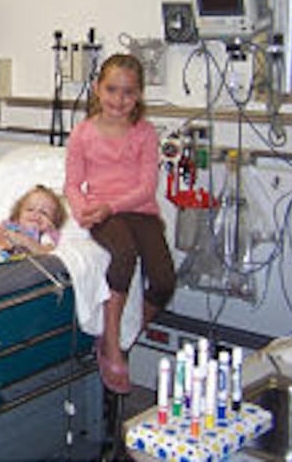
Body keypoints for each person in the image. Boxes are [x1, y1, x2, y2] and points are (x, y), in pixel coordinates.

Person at [64, 54, 175, 394]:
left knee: (164, 280)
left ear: (139, 94)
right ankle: (112, 342)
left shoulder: (144, 133)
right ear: (97, 88)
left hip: (139, 210)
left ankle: (129, 332)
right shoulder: (82, 133)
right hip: (102, 213)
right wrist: (84, 210)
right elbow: (72, 183)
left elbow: (145, 187)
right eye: (112, 89)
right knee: (122, 256)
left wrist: (108, 206)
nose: (118, 99)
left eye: (128, 92)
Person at [0, 185, 66, 254]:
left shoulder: (46, 235)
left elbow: (48, 252)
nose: (36, 214)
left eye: (44, 213)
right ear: (18, 213)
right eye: (30, 209)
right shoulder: (10, 226)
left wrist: (26, 241)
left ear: (53, 222)